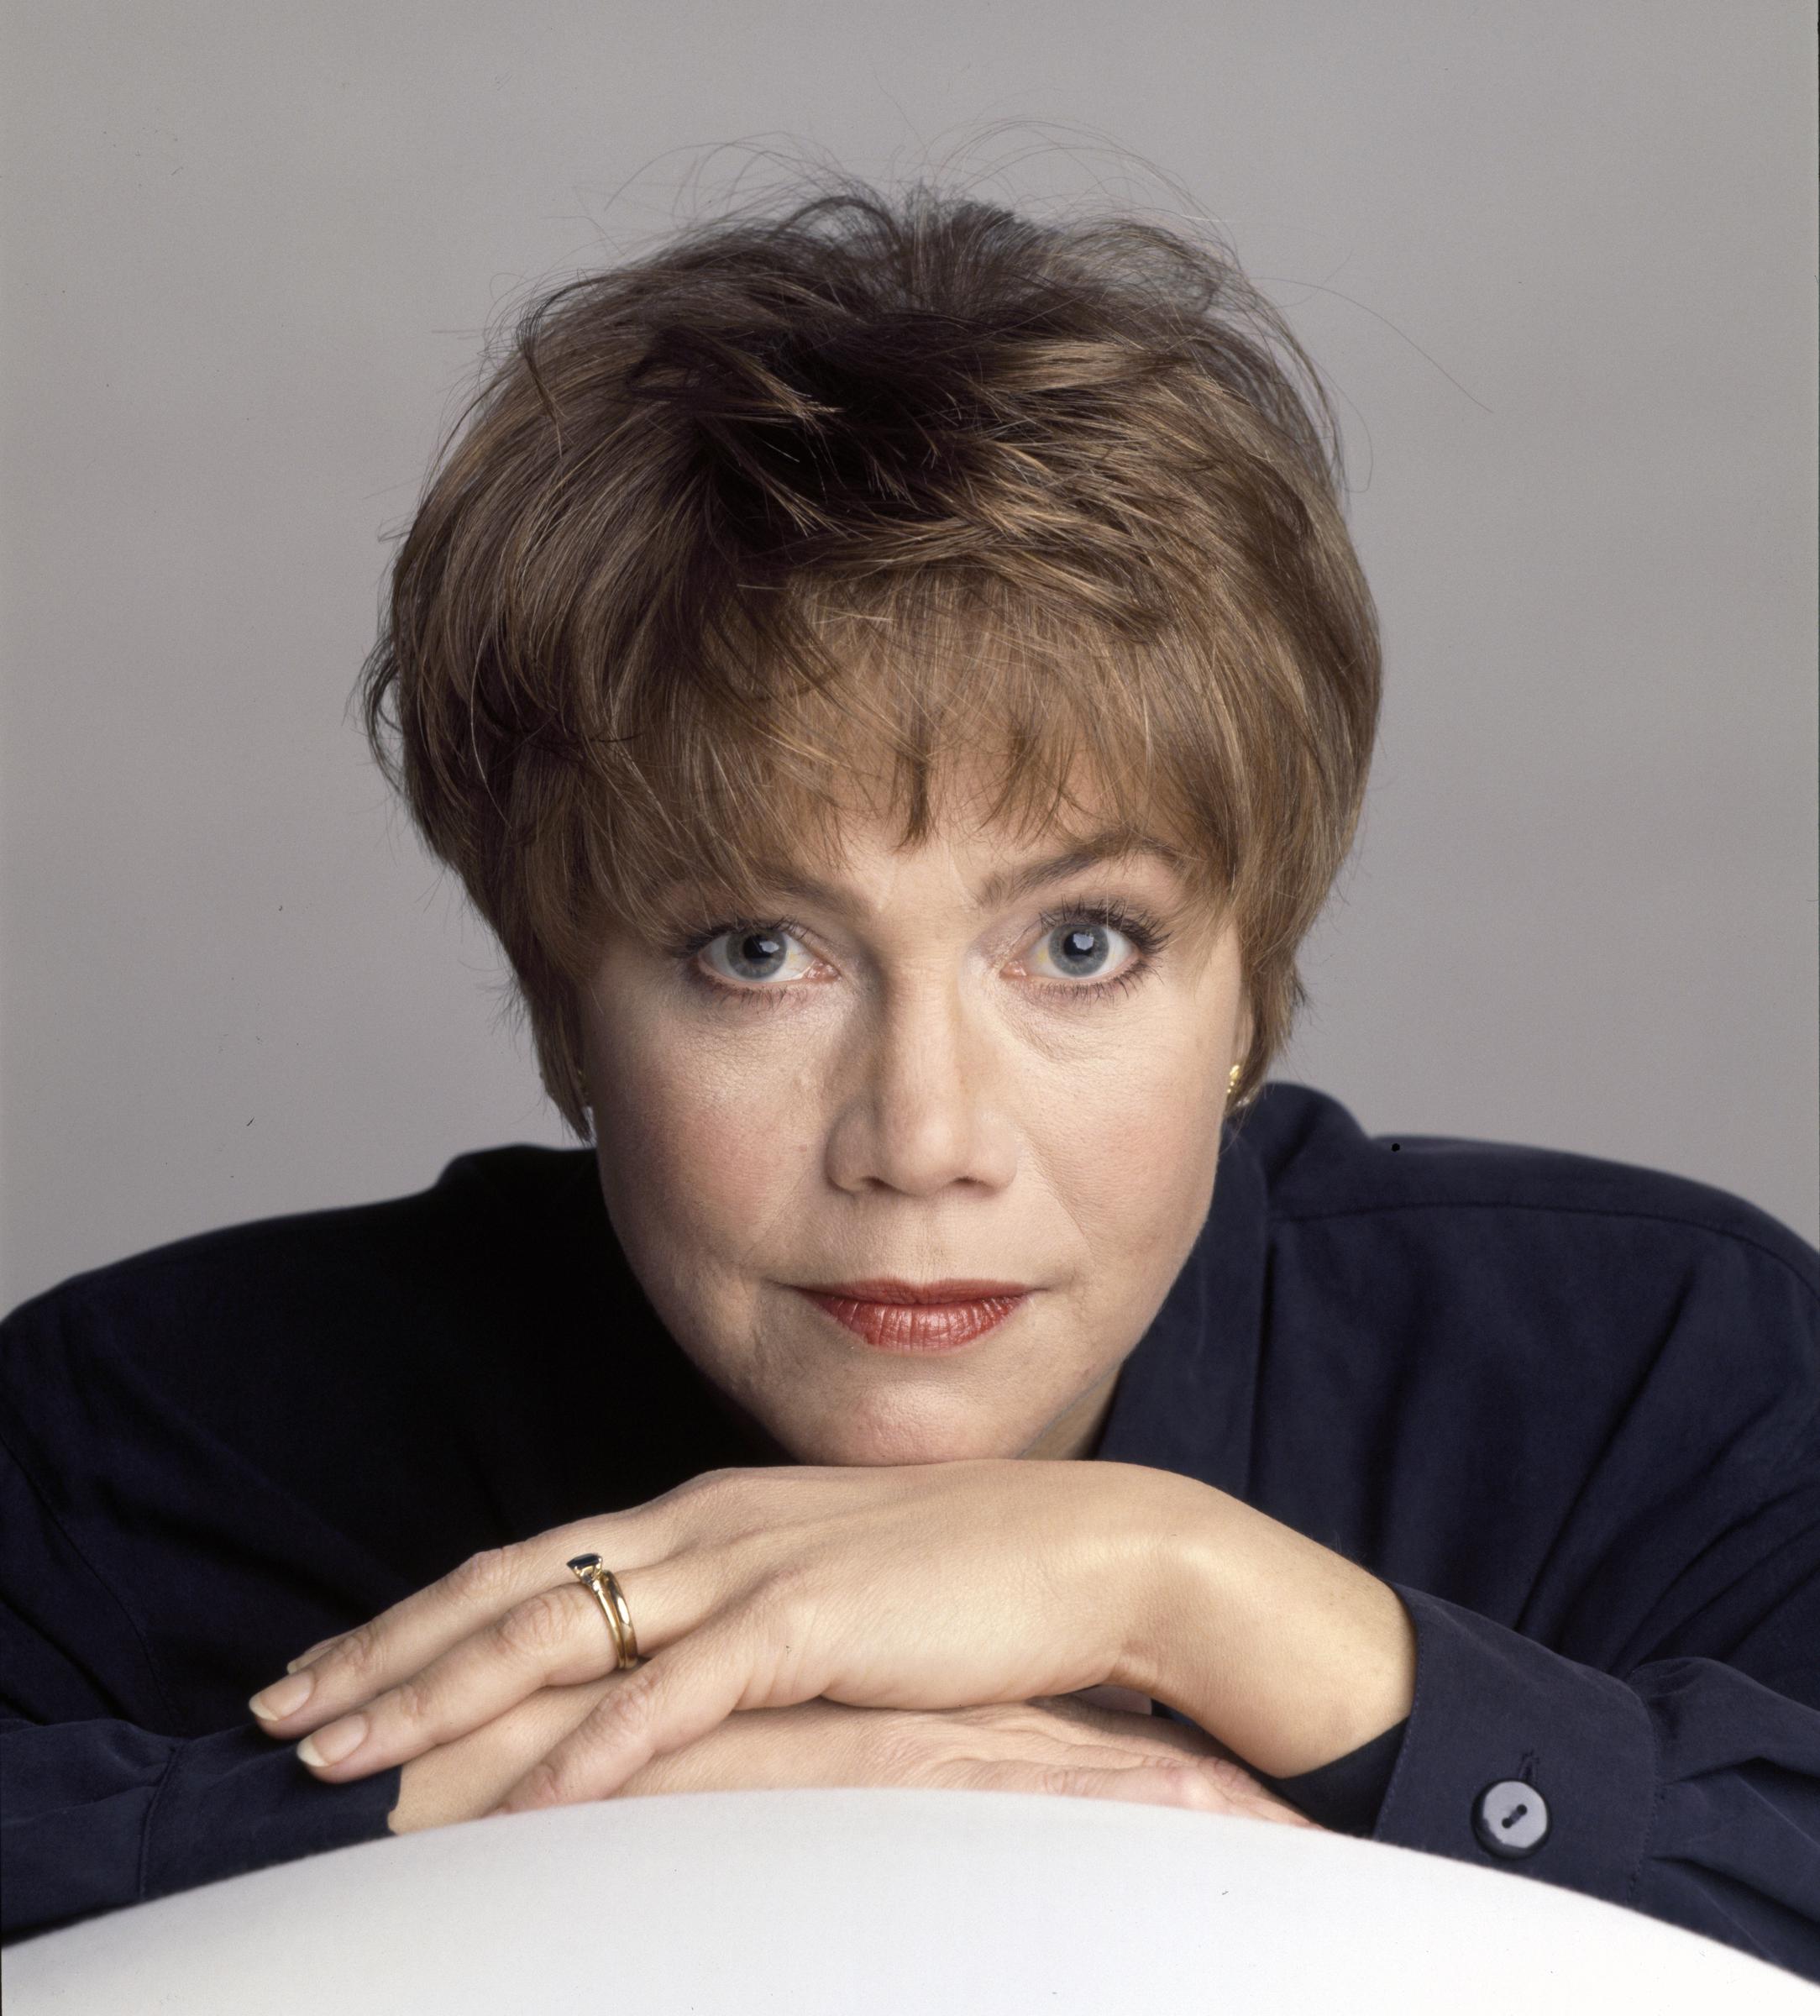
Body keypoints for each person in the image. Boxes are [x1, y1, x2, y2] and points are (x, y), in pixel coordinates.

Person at [3, 177, 1815, 1982]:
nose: (922, 1144)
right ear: (560, 1003)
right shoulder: (142, 1445)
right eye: (757, 953)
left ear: (1251, 983)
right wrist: (531, 1779)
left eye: (1080, 945)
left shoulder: (1659, 1372)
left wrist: (1180, 1587)